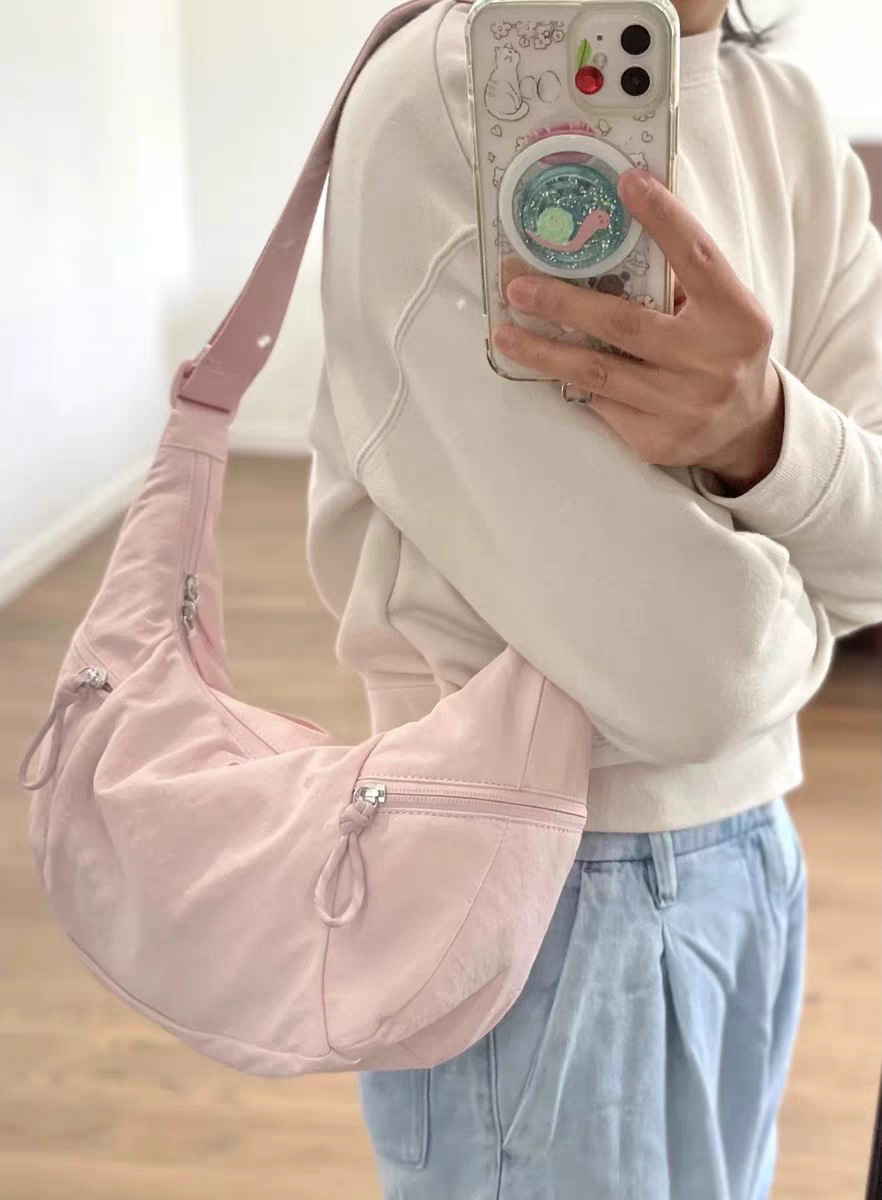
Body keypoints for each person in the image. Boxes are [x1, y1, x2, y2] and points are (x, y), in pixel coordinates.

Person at [304, 0, 882, 1194]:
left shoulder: (786, 115)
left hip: (752, 856)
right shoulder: (446, 99)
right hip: (527, 882)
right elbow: (696, 678)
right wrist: (810, 558)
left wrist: (764, 433)